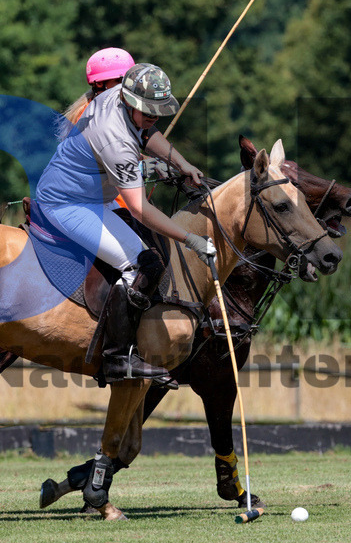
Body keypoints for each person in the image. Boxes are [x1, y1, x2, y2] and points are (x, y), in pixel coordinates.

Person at [34, 62, 215, 382]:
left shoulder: (121, 91)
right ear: (130, 103)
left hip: (86, 193)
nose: (153, 118)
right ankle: (117, 357)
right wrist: (191, 239)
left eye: (158, 112)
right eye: (148, 112)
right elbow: (139, 209)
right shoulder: (115, 138)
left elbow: (147, 132)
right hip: (69, 204)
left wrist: (180, 163)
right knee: (143, 264)